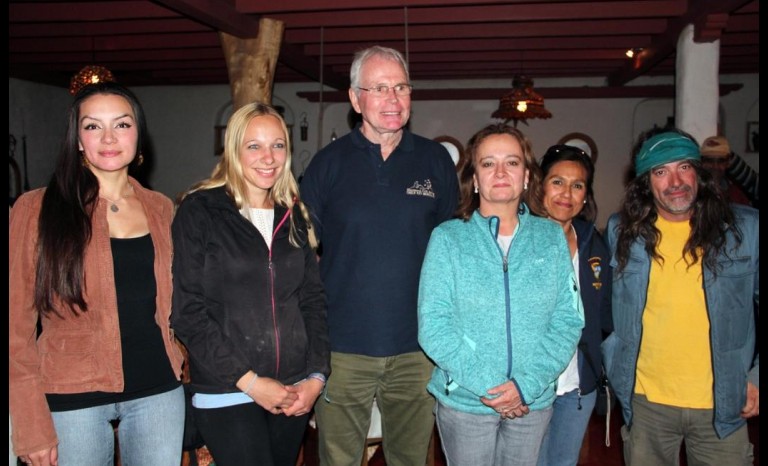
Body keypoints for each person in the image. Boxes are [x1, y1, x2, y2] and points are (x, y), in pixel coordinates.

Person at [9, 82, 185, 466]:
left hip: (159, 393)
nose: (108, 137)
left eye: (121, 125)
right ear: (76, 139)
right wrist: (29, 425)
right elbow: (14, 328)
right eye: (92, 126)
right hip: (71, 399)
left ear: (138, 135)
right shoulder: (36, 209)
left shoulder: (161, 209)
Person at [300, 45, 459, 466]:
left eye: (401, 87)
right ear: (355, 99)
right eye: (380, 88)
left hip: (418, 348)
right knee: (339, 459)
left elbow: (452, 252)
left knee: (410, 458)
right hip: (343, 348)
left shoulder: (435, 160)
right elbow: (301, 254)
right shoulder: (327, 165)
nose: (393, 99)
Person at [171, 102, 330, 466]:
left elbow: (313, 302)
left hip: (292, 387)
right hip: (229, 388)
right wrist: (251, 382)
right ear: (234, 150)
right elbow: (187, 312)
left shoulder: (294, 216)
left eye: (277, 145)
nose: (268, 157)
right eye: (254, 146)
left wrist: (317, 376)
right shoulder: (200, 211)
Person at [417, 124, 584, 466]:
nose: (501, 172)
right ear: (475, 178)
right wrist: (493, 387)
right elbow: (434, 326)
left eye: (512, 162)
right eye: (488, 163)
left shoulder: (550, 238)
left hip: (531, 402)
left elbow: (568, 320)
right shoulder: (448, 239)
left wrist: (524, 385)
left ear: (526, 175)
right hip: (466, 402)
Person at [603, 129, 759, 465]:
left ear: (699, 173)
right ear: (646, 182)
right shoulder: (621, 231)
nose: (675, 181)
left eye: (683, 167)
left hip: (724, 401)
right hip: (646, 404)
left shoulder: (746, 229)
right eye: (660, 172)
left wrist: (757, 377)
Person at [535, 145, 612, 466]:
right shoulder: (519, 238)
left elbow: (605, 313)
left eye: (577, 185)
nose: (566, 193)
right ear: (539, 187)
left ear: (585, 195)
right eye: (557, 182)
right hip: (530, 387)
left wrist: (595, 362)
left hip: (577, 387)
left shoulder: (595, 244)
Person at [699, 135, 752, 207]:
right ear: (701, 162)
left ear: (728, 163)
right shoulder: (692, 192)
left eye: (721, 161)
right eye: (709, 160)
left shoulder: (737, 195)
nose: (715, 166)